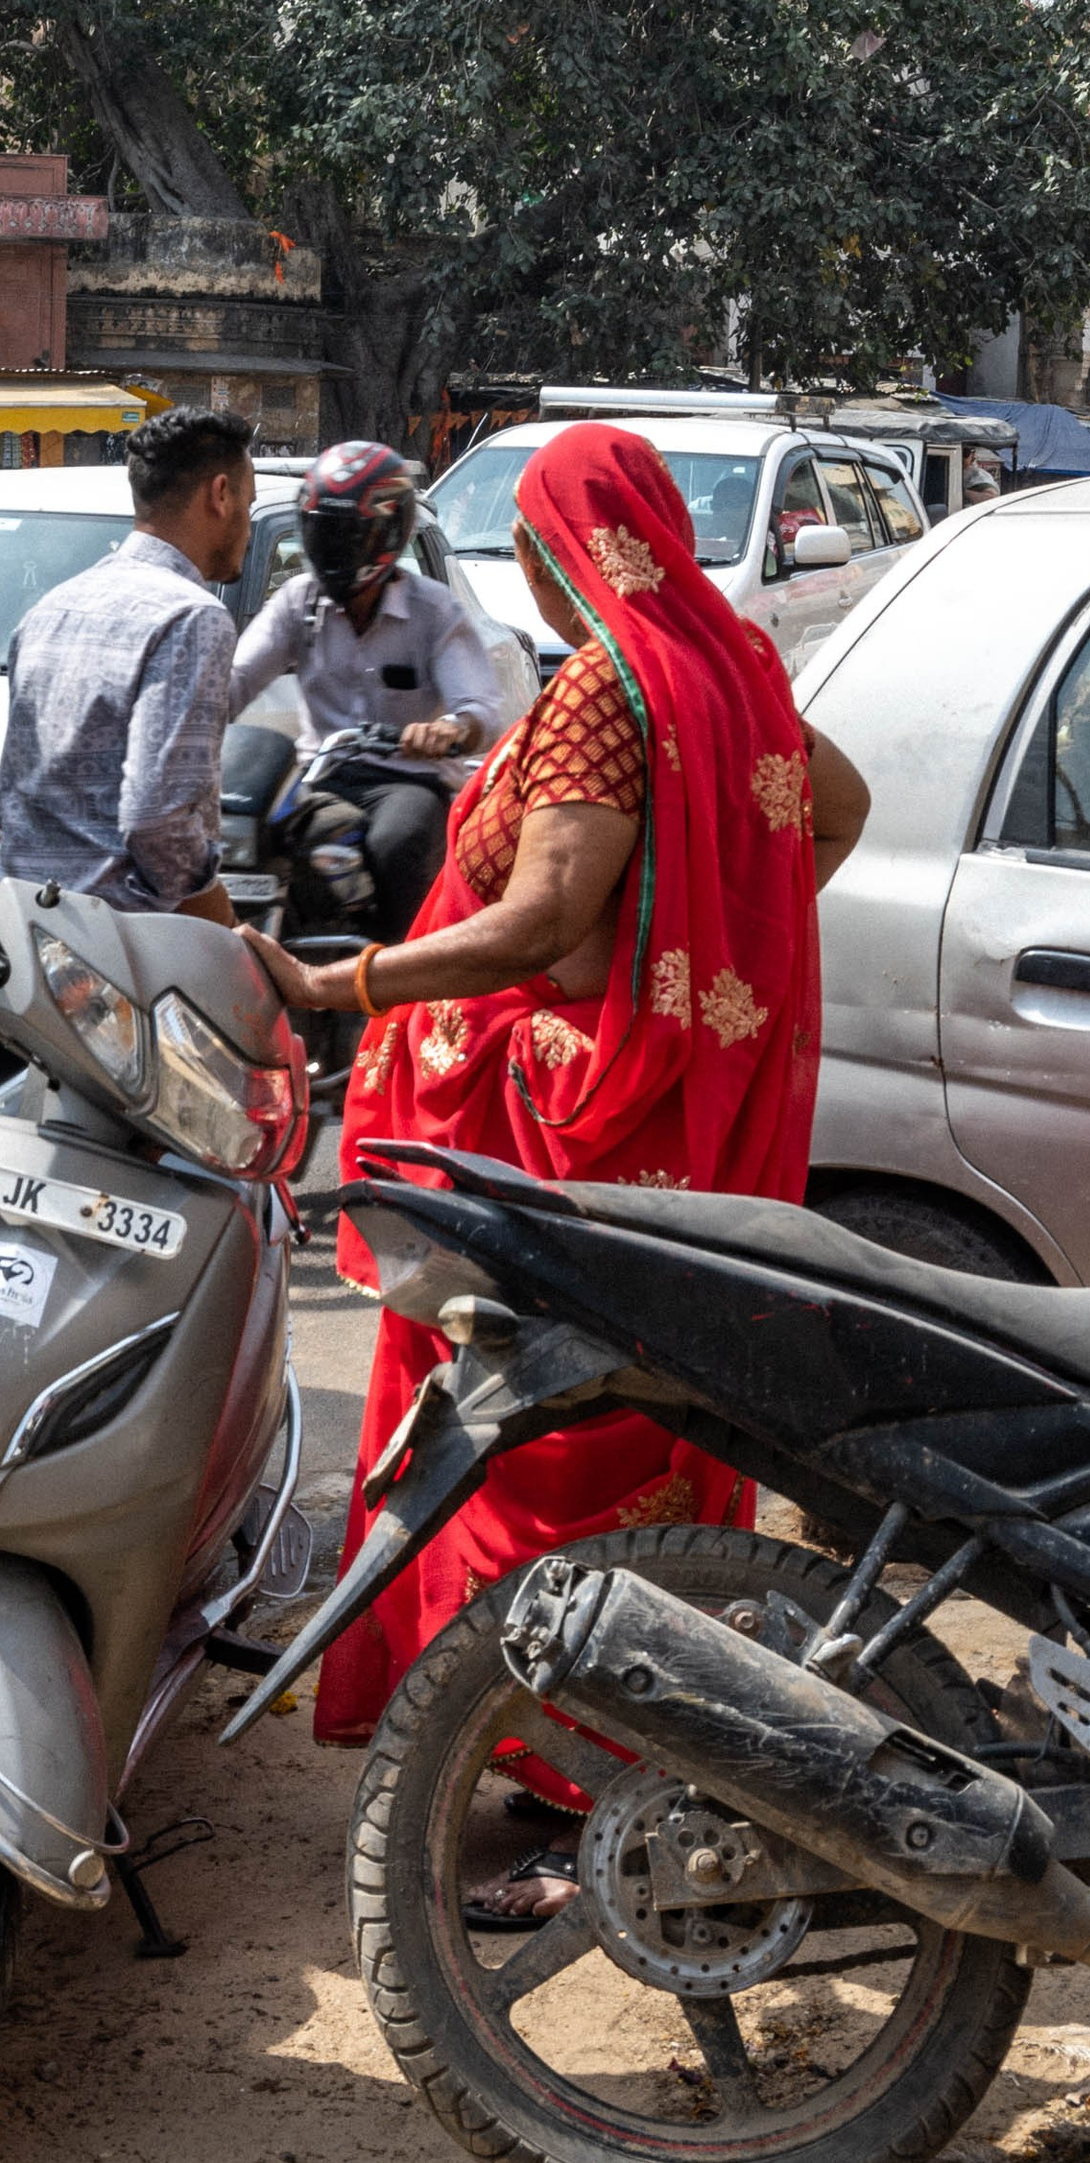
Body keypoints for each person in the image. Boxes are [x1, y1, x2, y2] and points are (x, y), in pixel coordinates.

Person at [247, 418, 870, 1793]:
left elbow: (537, 925)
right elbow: (840, 808)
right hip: (668, 1119)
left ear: (555, 553)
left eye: (529, 540)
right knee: (642, 1425)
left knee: (529, 1442)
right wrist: (713, 951)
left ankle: (554, 1771)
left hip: (562, 1126)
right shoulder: (735, 669)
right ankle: (624, 1749)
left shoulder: (602, 690)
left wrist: (341, 981)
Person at [229, 439, 511, 940]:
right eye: (323, 531)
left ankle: (394, 981)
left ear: (385, 532)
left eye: (345, 534)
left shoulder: (433, 610)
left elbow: (481, 711)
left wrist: (448, 731)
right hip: (320, 775)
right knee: (247, 835)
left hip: (407, 781)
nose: (332, 547)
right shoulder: (300, 600)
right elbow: (236, 680)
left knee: (398, 842)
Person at [0, 404, 254, 920]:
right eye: (247, 502)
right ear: (220, 495)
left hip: (24, 928)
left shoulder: (54, 606)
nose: (246, 523)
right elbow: (158, 822)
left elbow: (12, 798)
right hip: (127, 948)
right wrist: (228, 930)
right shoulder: (193, 618)